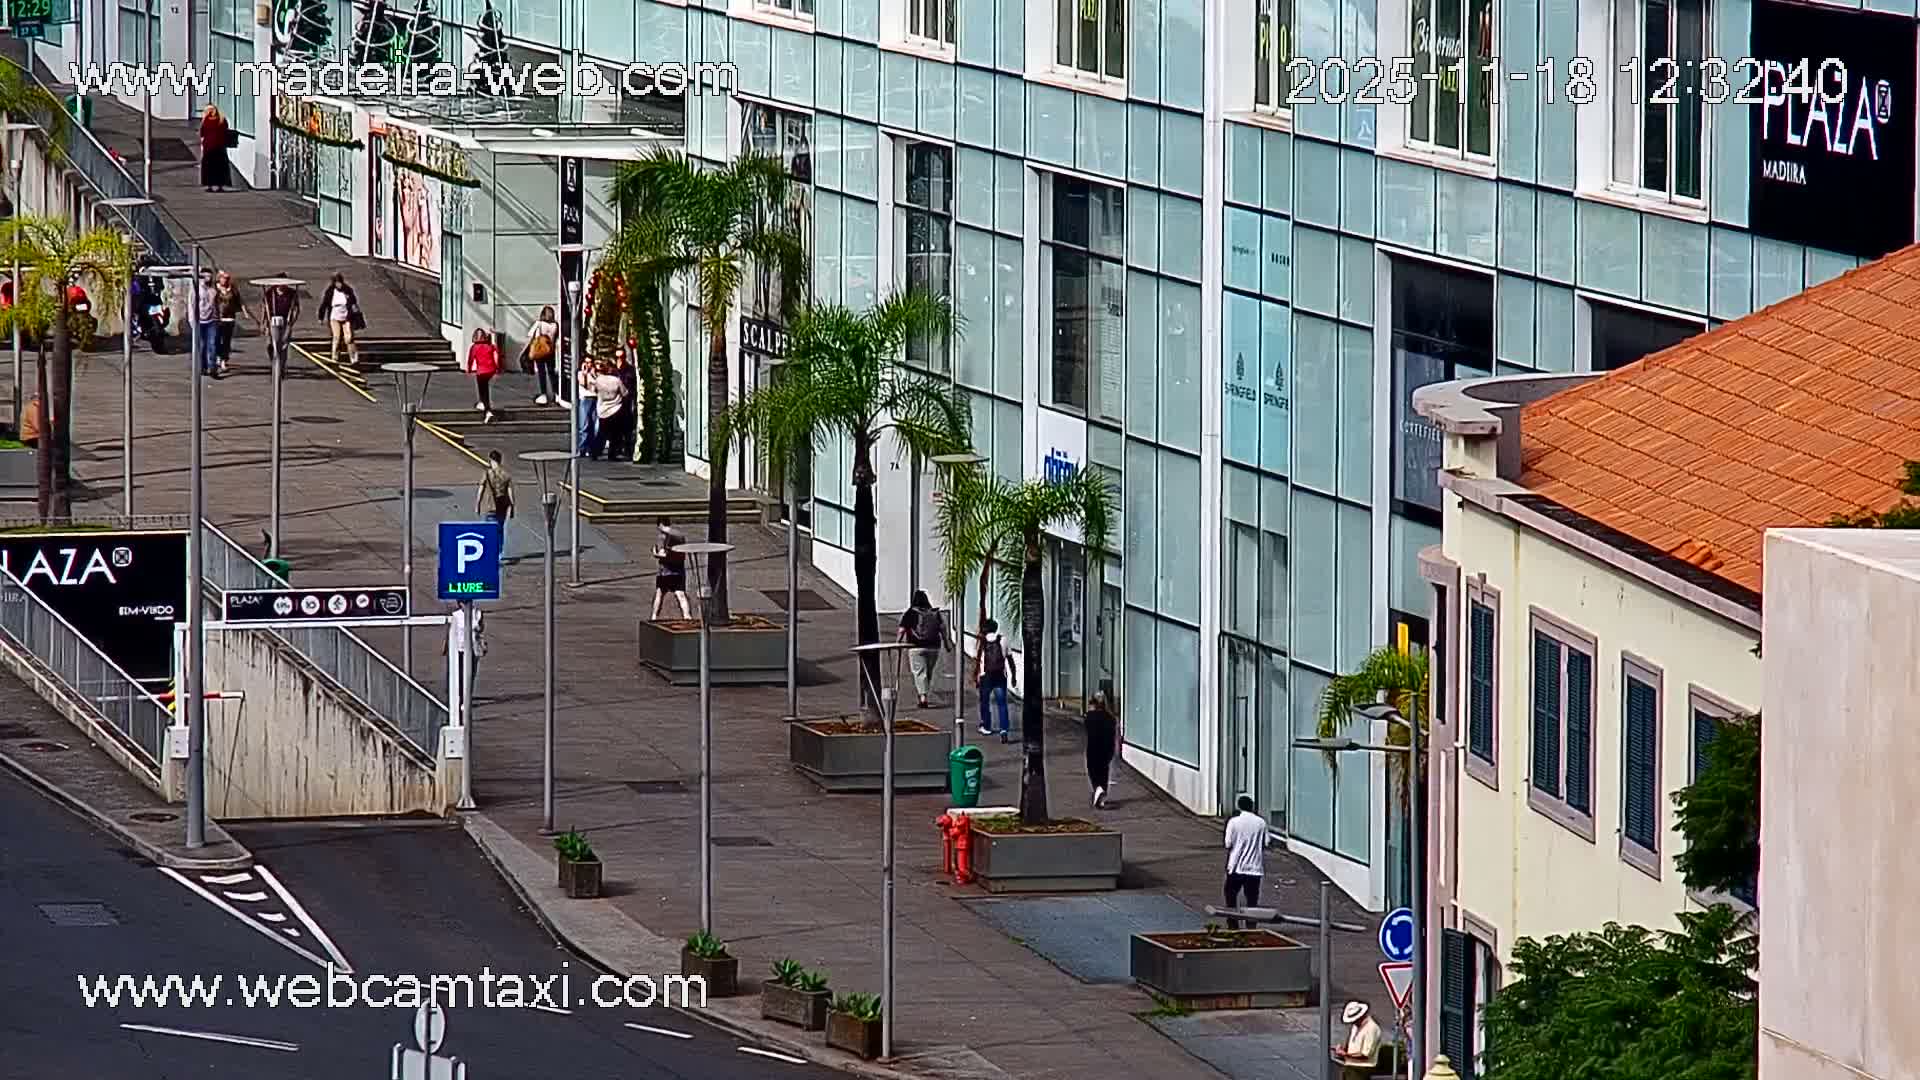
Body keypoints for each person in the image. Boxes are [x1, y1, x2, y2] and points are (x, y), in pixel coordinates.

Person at [896, 590, 948, 709]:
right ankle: (924, 694)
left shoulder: (910, 613)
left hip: (916, 647)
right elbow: (943, 629)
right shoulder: (935, 613)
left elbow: (902, 630)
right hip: (934, 647)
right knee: (928, 672)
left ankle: (923, 697)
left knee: (919, 672)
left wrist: (897, 643)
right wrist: (946, 643)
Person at [1222, 794, 1267, 929]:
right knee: (1252, 899)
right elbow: (1266, 842)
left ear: (1239, 806)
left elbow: (1228, 843)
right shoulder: (1261, 822)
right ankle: (1251, 926)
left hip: (1236, 867)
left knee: (1231, 895)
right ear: (1252, 806)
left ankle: (1233, 924)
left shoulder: (1234, 822)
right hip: (1254, 867)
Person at [441, 601, 486, 721]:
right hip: (458, 649)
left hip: (471, 649)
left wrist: (478, 630)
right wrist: (446, 647)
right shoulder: (455, 615)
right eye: (461, 602)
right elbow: (450, 632)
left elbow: (481, 629)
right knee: (459, 675)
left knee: (470, 675)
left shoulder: (477, 613)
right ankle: (458, 698)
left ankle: (466, 699)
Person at [975, 618, 1016, 742]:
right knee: (1002, 704)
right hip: (1000, 676)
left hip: (986, 676)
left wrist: (976, 677)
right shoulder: (1003, 640)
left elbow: (978, 660)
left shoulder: (982, 641)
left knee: (985, 702)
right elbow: (1010, 660)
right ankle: (1004, 730)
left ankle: (986, 727)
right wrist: (1013, 676)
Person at [317, 272, 361, 367]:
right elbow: (324, 304)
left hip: (347, 316)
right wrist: (321, 317)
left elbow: (353, 302)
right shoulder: (330, 291)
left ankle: (354, 359)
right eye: (337, 283)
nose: (339, 285)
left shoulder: (348, 290)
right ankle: (335, 357)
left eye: (340, 282)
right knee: (337, 337)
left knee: (349, 338)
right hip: (335, 317)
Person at [650, 519, 691, 620]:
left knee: (659, 593)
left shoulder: (663, 537)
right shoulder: (679, 536)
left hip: (665, 571)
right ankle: (687, 616)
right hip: (678, 570)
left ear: (660, 525)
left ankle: (654, 617)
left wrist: (655, 553)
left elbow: (663, 554)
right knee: (680, 594)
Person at [259, 273, 300, 370]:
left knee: (284, 344)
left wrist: (292, 322)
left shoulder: (292, 293)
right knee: (270, 343)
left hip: (285, 320)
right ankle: (274, 360)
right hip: (272, 321)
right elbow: (264, 308)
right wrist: (263, 322)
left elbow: (296, 309)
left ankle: (281, 366)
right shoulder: (270, 292)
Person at [1084, 692, 1118, 808]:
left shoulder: (1090, 717)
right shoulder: (1111, 718)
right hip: (1107, 749)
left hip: (1093, 748)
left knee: (1093, 770)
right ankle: (1101, 796)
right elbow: (1113, 735)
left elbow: (1088, 730)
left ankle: (1098, 789)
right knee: (1104, 771)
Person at [1333, 1001, 1383, 1079]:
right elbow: (1352, 1046)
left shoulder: (1371, 1028)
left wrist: (1345, 1054)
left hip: (1361, 1069)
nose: (1353, 1023)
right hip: (1350, 1066)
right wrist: (1342, 1050)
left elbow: (1365, 1055)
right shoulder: (1355, 1027)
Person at [590, 359, 626, 460]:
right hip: (616, 408)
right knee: (615, 434)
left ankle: (596, 452)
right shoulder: (616, 380)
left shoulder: (598, 380)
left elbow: (593, 390)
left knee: (602, 432)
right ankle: (612, 454)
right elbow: (624, 392)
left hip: (602, 409)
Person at [524, 305, 560, 405]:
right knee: (552, 373)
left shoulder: (539, 323)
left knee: (541, 373)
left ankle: (544, 394)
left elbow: (530, 334)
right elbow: (556, 338)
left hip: (540, 351)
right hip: (550, 351)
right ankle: (556, 394)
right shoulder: (555, 325)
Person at [213, 270, 247, 375]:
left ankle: (224, 360)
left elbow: (240, 301)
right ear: (219, 278)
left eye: (227, 278)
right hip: (217, 318)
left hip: (229, 318)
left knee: (226, 341)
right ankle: (218, 356)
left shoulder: (233, 289)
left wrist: (245, 312)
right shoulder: (215, 288)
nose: (225, 280)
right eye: (223, 278)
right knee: (216, 339)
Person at [466, 327, 500, 422]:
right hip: (491, 370)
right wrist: (497, 368)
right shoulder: (490, 346)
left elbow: (470, 359)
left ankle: (487, 410)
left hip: (481, 371)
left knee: (483, 389)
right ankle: (483, 403)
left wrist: (469, 369)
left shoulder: (474, 347)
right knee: (485, 387)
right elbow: (497, 354)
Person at [192, 268, 219, 376]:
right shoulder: (196, 289)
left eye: (210, 276)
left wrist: (218, 318)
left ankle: (212, 368)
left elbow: (216, 305)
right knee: (202, 345)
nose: (209, 278)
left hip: (212, 320)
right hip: (200, 321)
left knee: (212, 344)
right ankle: (203, 367)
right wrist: (192, 320)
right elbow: (192, 304)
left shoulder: (213, 290)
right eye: (206, 276)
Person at [198, 105, 232, 192]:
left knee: (209, 167)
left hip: (209, 147)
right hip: (220, 147)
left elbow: (202, 133)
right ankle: (220, 185)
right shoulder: (222, 120)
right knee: (221, 167)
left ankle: (209, 185)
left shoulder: (206, 121)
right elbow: (226, 131)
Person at [476, 449, 513, 524]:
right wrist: (512, 507)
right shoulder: (506, 475)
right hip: (502, 508)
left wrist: (478, 504)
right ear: (500, 460)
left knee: (490, 529)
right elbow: (510, 493)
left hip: (491, 507)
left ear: (491, 460)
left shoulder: (487, 474)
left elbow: (481, 490)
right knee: (500, 528)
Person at [574, 357, 599, 457]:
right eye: (586, 362)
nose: (589, 365)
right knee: (584, 424)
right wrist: (585, 373)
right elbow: (583, 384)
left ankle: (591, 448)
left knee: (594, 425)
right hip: (585, 398)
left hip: (595, 398)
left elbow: (598, 386)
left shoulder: (596, 373)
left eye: (590, 362)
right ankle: (582, 448)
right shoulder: (581, 373)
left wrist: (593, 374)